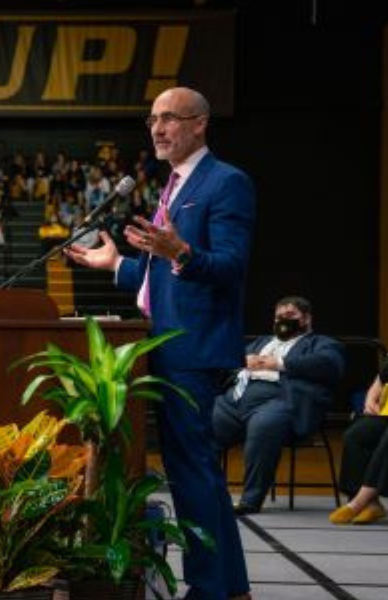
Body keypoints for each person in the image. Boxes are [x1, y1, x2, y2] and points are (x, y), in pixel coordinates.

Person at [66, 86, 254, 600]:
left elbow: (231, 266)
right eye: (152, 118)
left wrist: (183, 252)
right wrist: (119, 266)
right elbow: (164, 279)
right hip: (168, 344)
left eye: (170, 118)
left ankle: (211, 589)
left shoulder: (226, 182)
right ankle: (230, 588)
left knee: (193, 472)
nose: (158, 127)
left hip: (194, 350)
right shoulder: (173, 185)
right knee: (196, 473)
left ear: (200, 124)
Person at [213, 296, 344, 514]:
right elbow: (226, 365)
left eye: (290, 316)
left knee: (263, 426)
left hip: (279, 400)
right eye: (278, 317)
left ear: (306, 319)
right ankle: (208, 492)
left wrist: (279, 363)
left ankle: (250, 500)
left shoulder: (321, 343)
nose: (283, 320)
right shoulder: (261, 342)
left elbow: (329, 365)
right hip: (236, 399)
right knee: (203, 423)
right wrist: (241, 362)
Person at [330, 294, 388, 525]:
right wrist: (370, 399)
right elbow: (380, 380)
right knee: (357, 435)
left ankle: (359, 502)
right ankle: (373, 505)